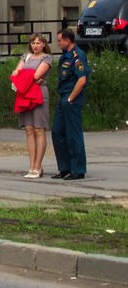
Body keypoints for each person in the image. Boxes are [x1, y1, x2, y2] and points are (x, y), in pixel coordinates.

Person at [10, 33, 52, 178]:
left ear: (44, 45)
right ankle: (31, 165)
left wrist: (26, 75)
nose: (35, 46)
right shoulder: (25, 57)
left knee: (39, 129)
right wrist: (27, 75)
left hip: (39, 94)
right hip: (25, 93)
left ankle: (38, 165)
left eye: (38, 43)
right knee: (29, 129)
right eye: (33, 43)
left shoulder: (46, 58)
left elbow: (37, 75)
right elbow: (16, 73)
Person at [51, 27, 89, 180]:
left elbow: (82, 79)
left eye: (60, 40)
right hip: (63, 97)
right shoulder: (64, 56)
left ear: (67, 40)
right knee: (57, 132)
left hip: (72, 98)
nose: (58, 43)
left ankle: (78, 169)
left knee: (73, 134)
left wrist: (71, 98)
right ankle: (65, 167)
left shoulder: (77, 56)